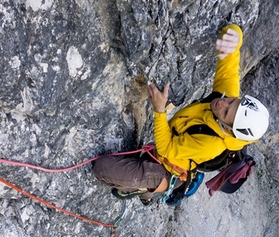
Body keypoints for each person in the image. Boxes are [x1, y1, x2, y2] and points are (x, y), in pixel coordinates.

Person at [93, 24, 269, 204]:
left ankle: (142, 190)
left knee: (102, 168)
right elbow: (229, 67)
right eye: (232, 101)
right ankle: (147, 190)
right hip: (172, 151)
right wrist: (235, 36)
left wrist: (159, 110)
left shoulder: (212, 144)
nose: (222, 102)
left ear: (229, 129)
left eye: (225, 112)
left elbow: (167, 148)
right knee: (135, 167)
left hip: (167, 169)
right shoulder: (228, 103)